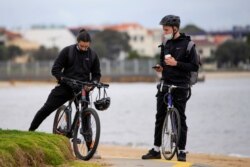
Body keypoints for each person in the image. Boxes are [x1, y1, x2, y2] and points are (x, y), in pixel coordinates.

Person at [142, 15, 199, 161]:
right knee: (159, 117)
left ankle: (182, 150)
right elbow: (163, 61)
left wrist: (177, 64)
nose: (164, 31)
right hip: (165, 84)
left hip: (181, 86)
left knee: (180, 118)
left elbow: (194, 66)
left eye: (166, 29)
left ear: (175, 28)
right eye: (163, 29)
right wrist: (161, 66)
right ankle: (156, 150)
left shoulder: (188, 44)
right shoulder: (166, 43)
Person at [29, 29, 101, 131]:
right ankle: (31, 131)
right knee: (46, 109)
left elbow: (96, 74)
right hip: (65, 87)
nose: (84, 49)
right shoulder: (67, 51)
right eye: (82, 46)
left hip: (82, 89)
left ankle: (90, 145)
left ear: (89, 44)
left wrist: (93, 84)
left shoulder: (93, 55)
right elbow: (55, 70)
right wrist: (63, 79)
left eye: (86, 47)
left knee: (86, 118)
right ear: (77, 42)